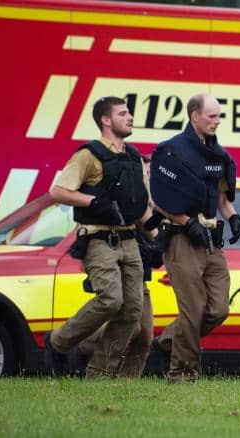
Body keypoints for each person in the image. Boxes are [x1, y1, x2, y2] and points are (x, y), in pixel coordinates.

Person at [45, 96, 151, 377]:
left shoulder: (133, 157)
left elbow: (140, 205)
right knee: (110, 299)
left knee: (131, 311)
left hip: (130, 240)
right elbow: (58, 191)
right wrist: (92, 202)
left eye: (129, 113)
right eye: (123, 113)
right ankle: (58, 342)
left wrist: (156, 232)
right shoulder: (88, 155)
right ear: (106, 120)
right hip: (98, 239)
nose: (130, 117)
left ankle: (99, 374)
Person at [148, 93, 240, 383]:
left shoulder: (219, 156)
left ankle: (166, 344)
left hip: (212, 241)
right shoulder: (170, 151)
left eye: (219, 116)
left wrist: (233, 217)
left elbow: (223, 199)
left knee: (218, 309)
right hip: (182, 240)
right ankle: (182, 373)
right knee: (193, 310)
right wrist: (186, 222)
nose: (217, 121)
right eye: (211, 116)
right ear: (194, 116)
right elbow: (159, 199)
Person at [76, 155, 162, 377]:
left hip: (142, 272)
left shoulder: (156, 202)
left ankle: (126, 385)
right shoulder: (130, 200)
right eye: (146, 172)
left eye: (152, 173)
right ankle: (80, 344)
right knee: (131, 327)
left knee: (145, 338)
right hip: (123, 269)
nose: (149, 176)